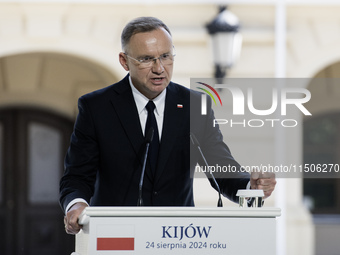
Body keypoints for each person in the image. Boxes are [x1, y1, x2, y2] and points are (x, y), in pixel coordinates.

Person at [60, 17, 276, 235]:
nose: (159, 68)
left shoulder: (195, 105)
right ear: (124, 61)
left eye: (165, 56)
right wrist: (77, 205)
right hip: (117, 235)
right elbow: (77, 176)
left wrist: (250, 188)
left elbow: (220, 166)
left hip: (178, 236)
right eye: (146, 59)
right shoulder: (97, 107)